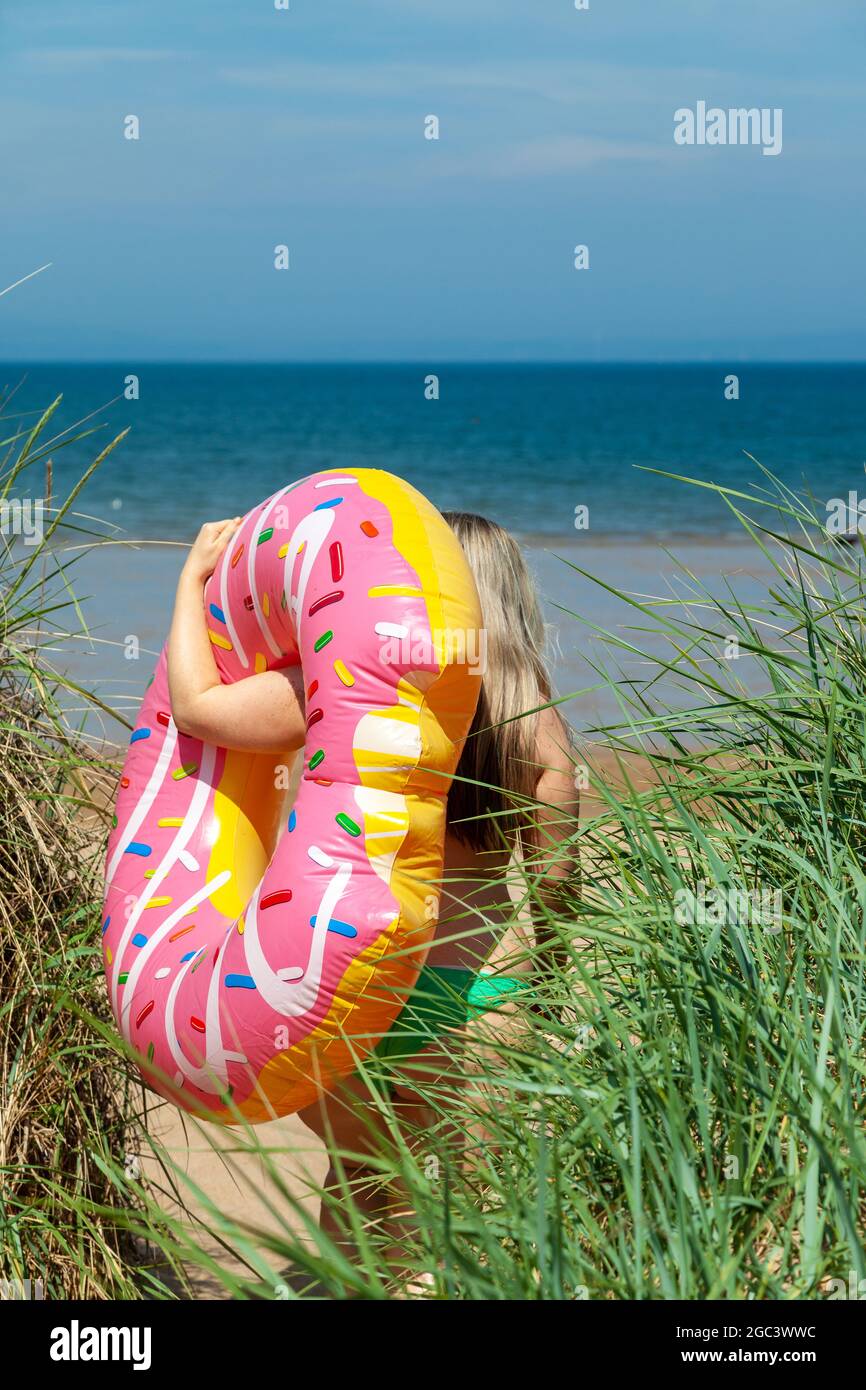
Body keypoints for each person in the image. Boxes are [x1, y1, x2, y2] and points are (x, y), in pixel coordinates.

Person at [166, 509, 579, 1285]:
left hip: (368, 986)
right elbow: (557, 884)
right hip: (489, 995)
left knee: (357, 1201)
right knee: (466, 1220)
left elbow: (197, 711)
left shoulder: (352, 686)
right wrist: (548, 985)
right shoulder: (539, 731)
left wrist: (192, 584)